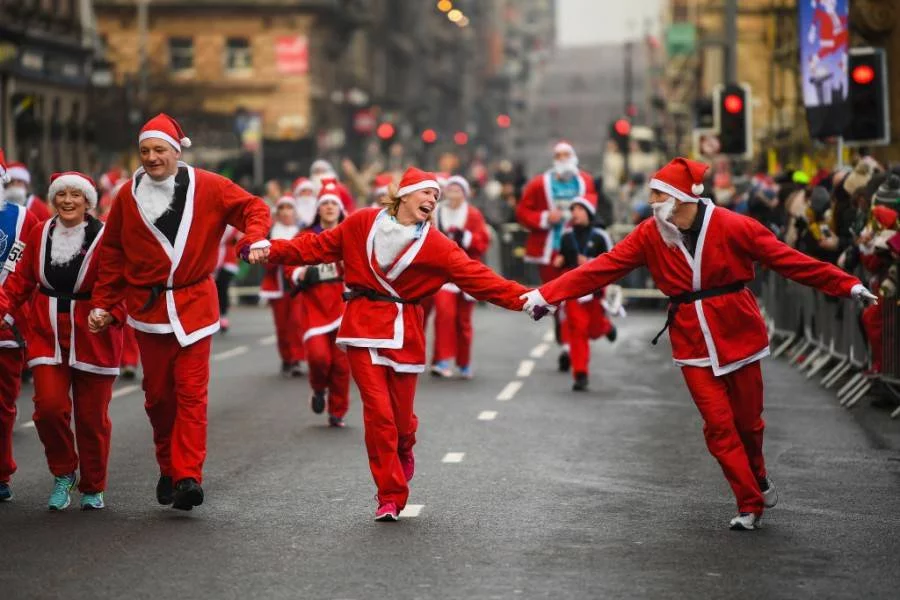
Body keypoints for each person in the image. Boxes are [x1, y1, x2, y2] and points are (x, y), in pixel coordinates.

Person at [521, 157, 877, 531]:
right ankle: (748, 502)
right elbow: (601, 268)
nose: (652, 202)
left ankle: (757, 473)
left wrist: (846, 284)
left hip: (738, 331)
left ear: (679, 197)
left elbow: (789, 260)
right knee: (719, 426)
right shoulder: (649, 234)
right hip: (691, 339)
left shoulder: (734, 225)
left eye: (658, 194)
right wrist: (548, 294)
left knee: (749, 424)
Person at [249, 167, 528, 521]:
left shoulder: (437, 244)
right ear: (405, 194)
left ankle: (406, 443)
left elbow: (479, 278)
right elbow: (315, 247)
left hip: (404, 332)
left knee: (400, 422)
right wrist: (268, 249)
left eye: (436, 197)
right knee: (378, 416)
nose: (432, 200)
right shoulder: (362, 222)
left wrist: (526, 299)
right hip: (362, 325)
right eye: (426, 193)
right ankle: (390, 495)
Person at [88, 113, 271, 511]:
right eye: (145, 151)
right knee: (158, 398)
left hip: (194, 304)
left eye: (159, 150)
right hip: (147, 308)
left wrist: (254, 237)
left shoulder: (208, 186)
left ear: (176, 149)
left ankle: (188, 475)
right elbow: (113, 253)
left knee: (191, 394)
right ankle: (168, 467)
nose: (152, 158)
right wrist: (104, 302)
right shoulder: (125, 195)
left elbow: (253, 208)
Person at [1, 172, 124, 510]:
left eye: (76, 195)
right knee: (49, 409)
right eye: (61, 195)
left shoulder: (106, 237)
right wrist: (3, 308)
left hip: (93, 333)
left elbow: (120, 282)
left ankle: (93, 486)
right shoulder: (40, 232)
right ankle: (63, 472)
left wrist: (109, 310)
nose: (68, 201)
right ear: (53, 199)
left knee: (92, 417)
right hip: (47, 330)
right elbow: (20, 279)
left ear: (88, 201)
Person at [516, 141, 596, 372]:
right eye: (558, 155)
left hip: (579, 251)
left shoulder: (586, 181)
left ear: (573, 156)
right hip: (550, 251)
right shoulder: (539, 183)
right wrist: (544, 217)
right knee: (556, 299)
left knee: (576, 299)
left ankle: (573, 344)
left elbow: (592, 209)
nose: (562, 159)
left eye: (566, 154)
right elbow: (522, 211)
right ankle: (566, 345)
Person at [287, 181, 350, 426]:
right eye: (325, 203)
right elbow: (289, 263)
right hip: (314, 307)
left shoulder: (349, 233)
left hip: (344, 306)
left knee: (342, 364)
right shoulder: (305, 236)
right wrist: (301, 274)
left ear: (340, 208)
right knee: (319, 358)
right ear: (318, 209)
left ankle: (338, 411)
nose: (330, 207)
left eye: (334, 203)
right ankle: (318, 388)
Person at [0, 149, 39, 503]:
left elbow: (29, 273)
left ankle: (1, 472)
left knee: (3, 406)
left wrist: (13, 315)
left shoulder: (23, 218)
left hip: (6, 330)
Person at [551, 196, 616, 391]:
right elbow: (562, 255)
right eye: (573, 210)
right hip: (573, 288)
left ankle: (605, 327)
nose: (575, 213)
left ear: (588, 212)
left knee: (593, 328)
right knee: (578, 329)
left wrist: (589, 262)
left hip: (595, 287)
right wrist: (560, 261)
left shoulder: (600, 235)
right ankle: (580, 373)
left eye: (579, 209)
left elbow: (613, 261)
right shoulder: (567, 235)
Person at [430, 175, 491, 379]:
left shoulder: (473, 215)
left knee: (463, 321)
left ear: (465, 194)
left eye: (458, 191)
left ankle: (464, 362)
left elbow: (483, 243)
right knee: (444, 315)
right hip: (442, 273)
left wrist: (466, 236)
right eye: (450, 190)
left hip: (467, 273)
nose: (453, 194)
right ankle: (441, 359)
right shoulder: (437, 212)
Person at [260, 195, 305, 377]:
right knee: (281, 325)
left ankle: (295, 358)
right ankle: (286, 358)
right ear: (278, 213)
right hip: (278, 286)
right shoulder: (270, 234)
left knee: (296, 322)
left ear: (295, 211)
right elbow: (264, 261)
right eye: (283, 208)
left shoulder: (303, 231)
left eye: (290, 208)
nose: (286, 212)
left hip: (297, 285)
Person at [214, 225, 241, 333]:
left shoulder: (234, 225)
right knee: (212, 289)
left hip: (228, 261)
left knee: (223, 288)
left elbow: (238, 238)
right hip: (212, 259)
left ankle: (223, 316)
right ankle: (213, 317)